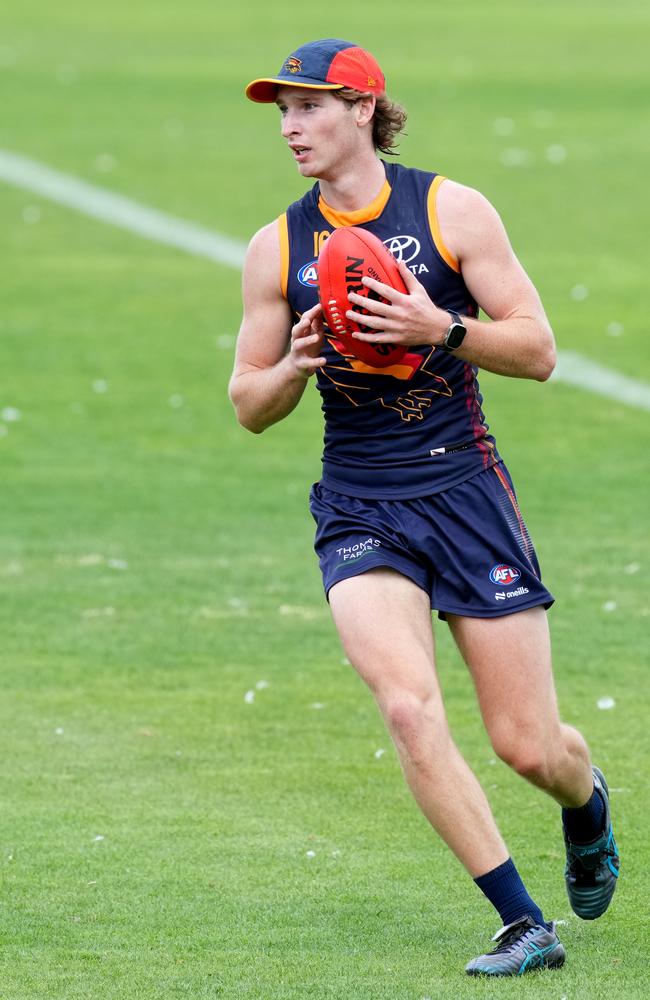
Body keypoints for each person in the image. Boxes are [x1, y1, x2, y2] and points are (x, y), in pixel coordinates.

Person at [229, 38, 620, 977]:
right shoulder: (276, 246)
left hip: (465, 490)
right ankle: (524, 923)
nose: (291, 126)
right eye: (282, 110)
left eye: (310, 106)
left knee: (529, 746)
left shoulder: (450, 210)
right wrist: (296, 364)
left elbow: (538, 349)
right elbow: (248, 402)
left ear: (364, 108)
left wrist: (436, 327)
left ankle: (587, 802)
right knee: (408, 709)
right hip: (360, 500)